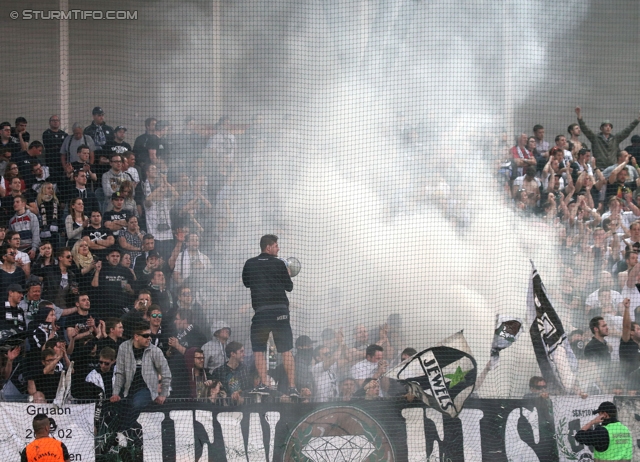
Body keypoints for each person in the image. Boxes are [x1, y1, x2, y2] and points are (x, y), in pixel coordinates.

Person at [242, 234, 298, 397]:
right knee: (286, 350)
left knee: (258, 350)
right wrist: (285, 273)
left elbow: (247, 283)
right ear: (268, 247)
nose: (278, 248)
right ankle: (292, 388)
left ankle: (264, 385)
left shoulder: (250, 263)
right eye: (276, 245)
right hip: (281, 311)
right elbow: (289, 287)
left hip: (262, 313)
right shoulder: (280, 263)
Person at [110, 323, 171, 433]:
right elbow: (119, 373)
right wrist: (115, 393)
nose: (149, 338)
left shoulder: (155, 351)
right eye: (146, 336)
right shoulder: (124, 348)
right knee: (118, 408)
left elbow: (166, 373)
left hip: (148, 390)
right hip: (128, 390)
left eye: (149, 335)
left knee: (136, 403)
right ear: (136, 337)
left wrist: (163, 394)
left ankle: (120, 433)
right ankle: (128, 436)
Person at [576, 106, 640, 170]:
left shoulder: (615, 139)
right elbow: (585, 129)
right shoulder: (595, 138)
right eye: (606, 126)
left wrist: (637, 120)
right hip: (599, 168)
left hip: (613, 168)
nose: (608, 127)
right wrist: (579, 116)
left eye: (610, 126)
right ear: (601, 128)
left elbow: (627, 130)